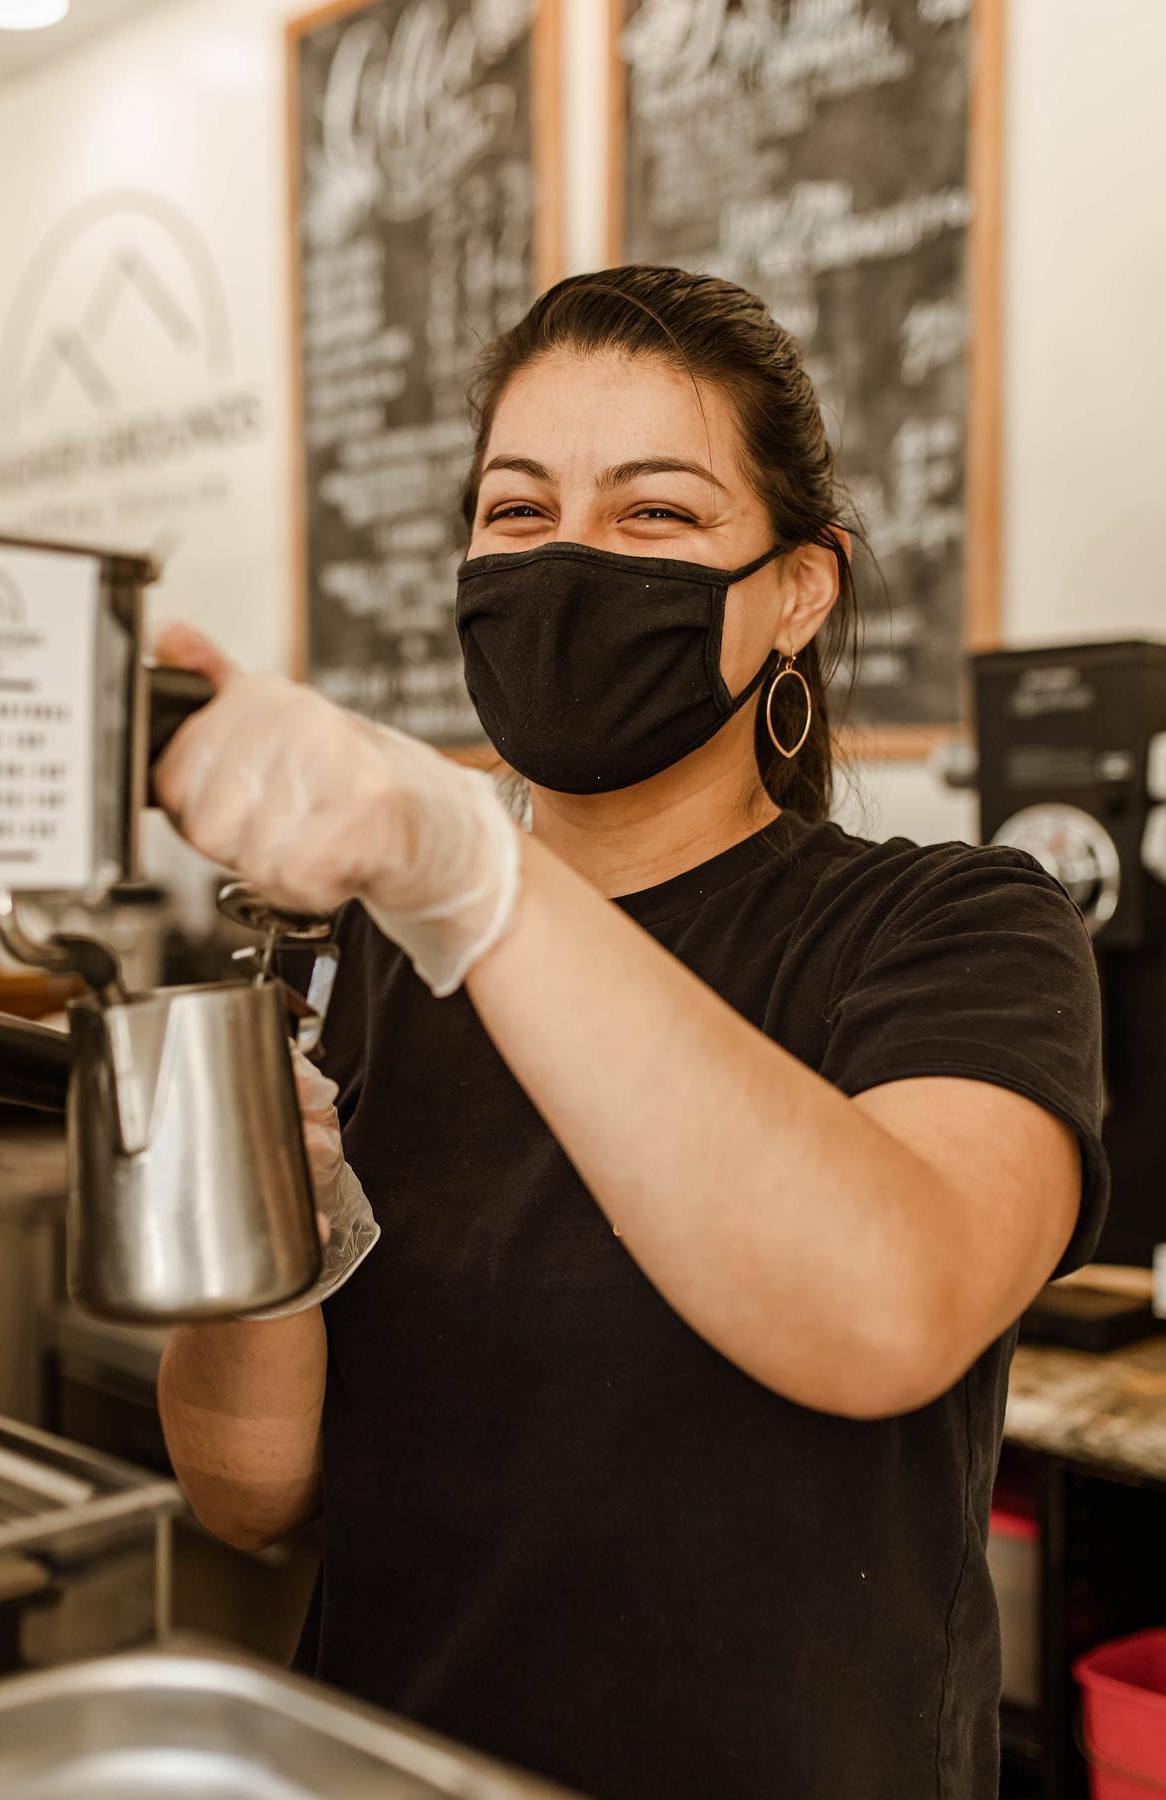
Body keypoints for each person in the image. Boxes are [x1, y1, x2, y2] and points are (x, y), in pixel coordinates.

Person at [153, 265, 1106, 1800]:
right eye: (518, 511)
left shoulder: (952, 927)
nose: (569, 559)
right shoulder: (365, 956)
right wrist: (263, 1229)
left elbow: (889, 1309)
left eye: (655, 512)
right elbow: (248, 1493)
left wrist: (466, 871)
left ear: (799, 590)